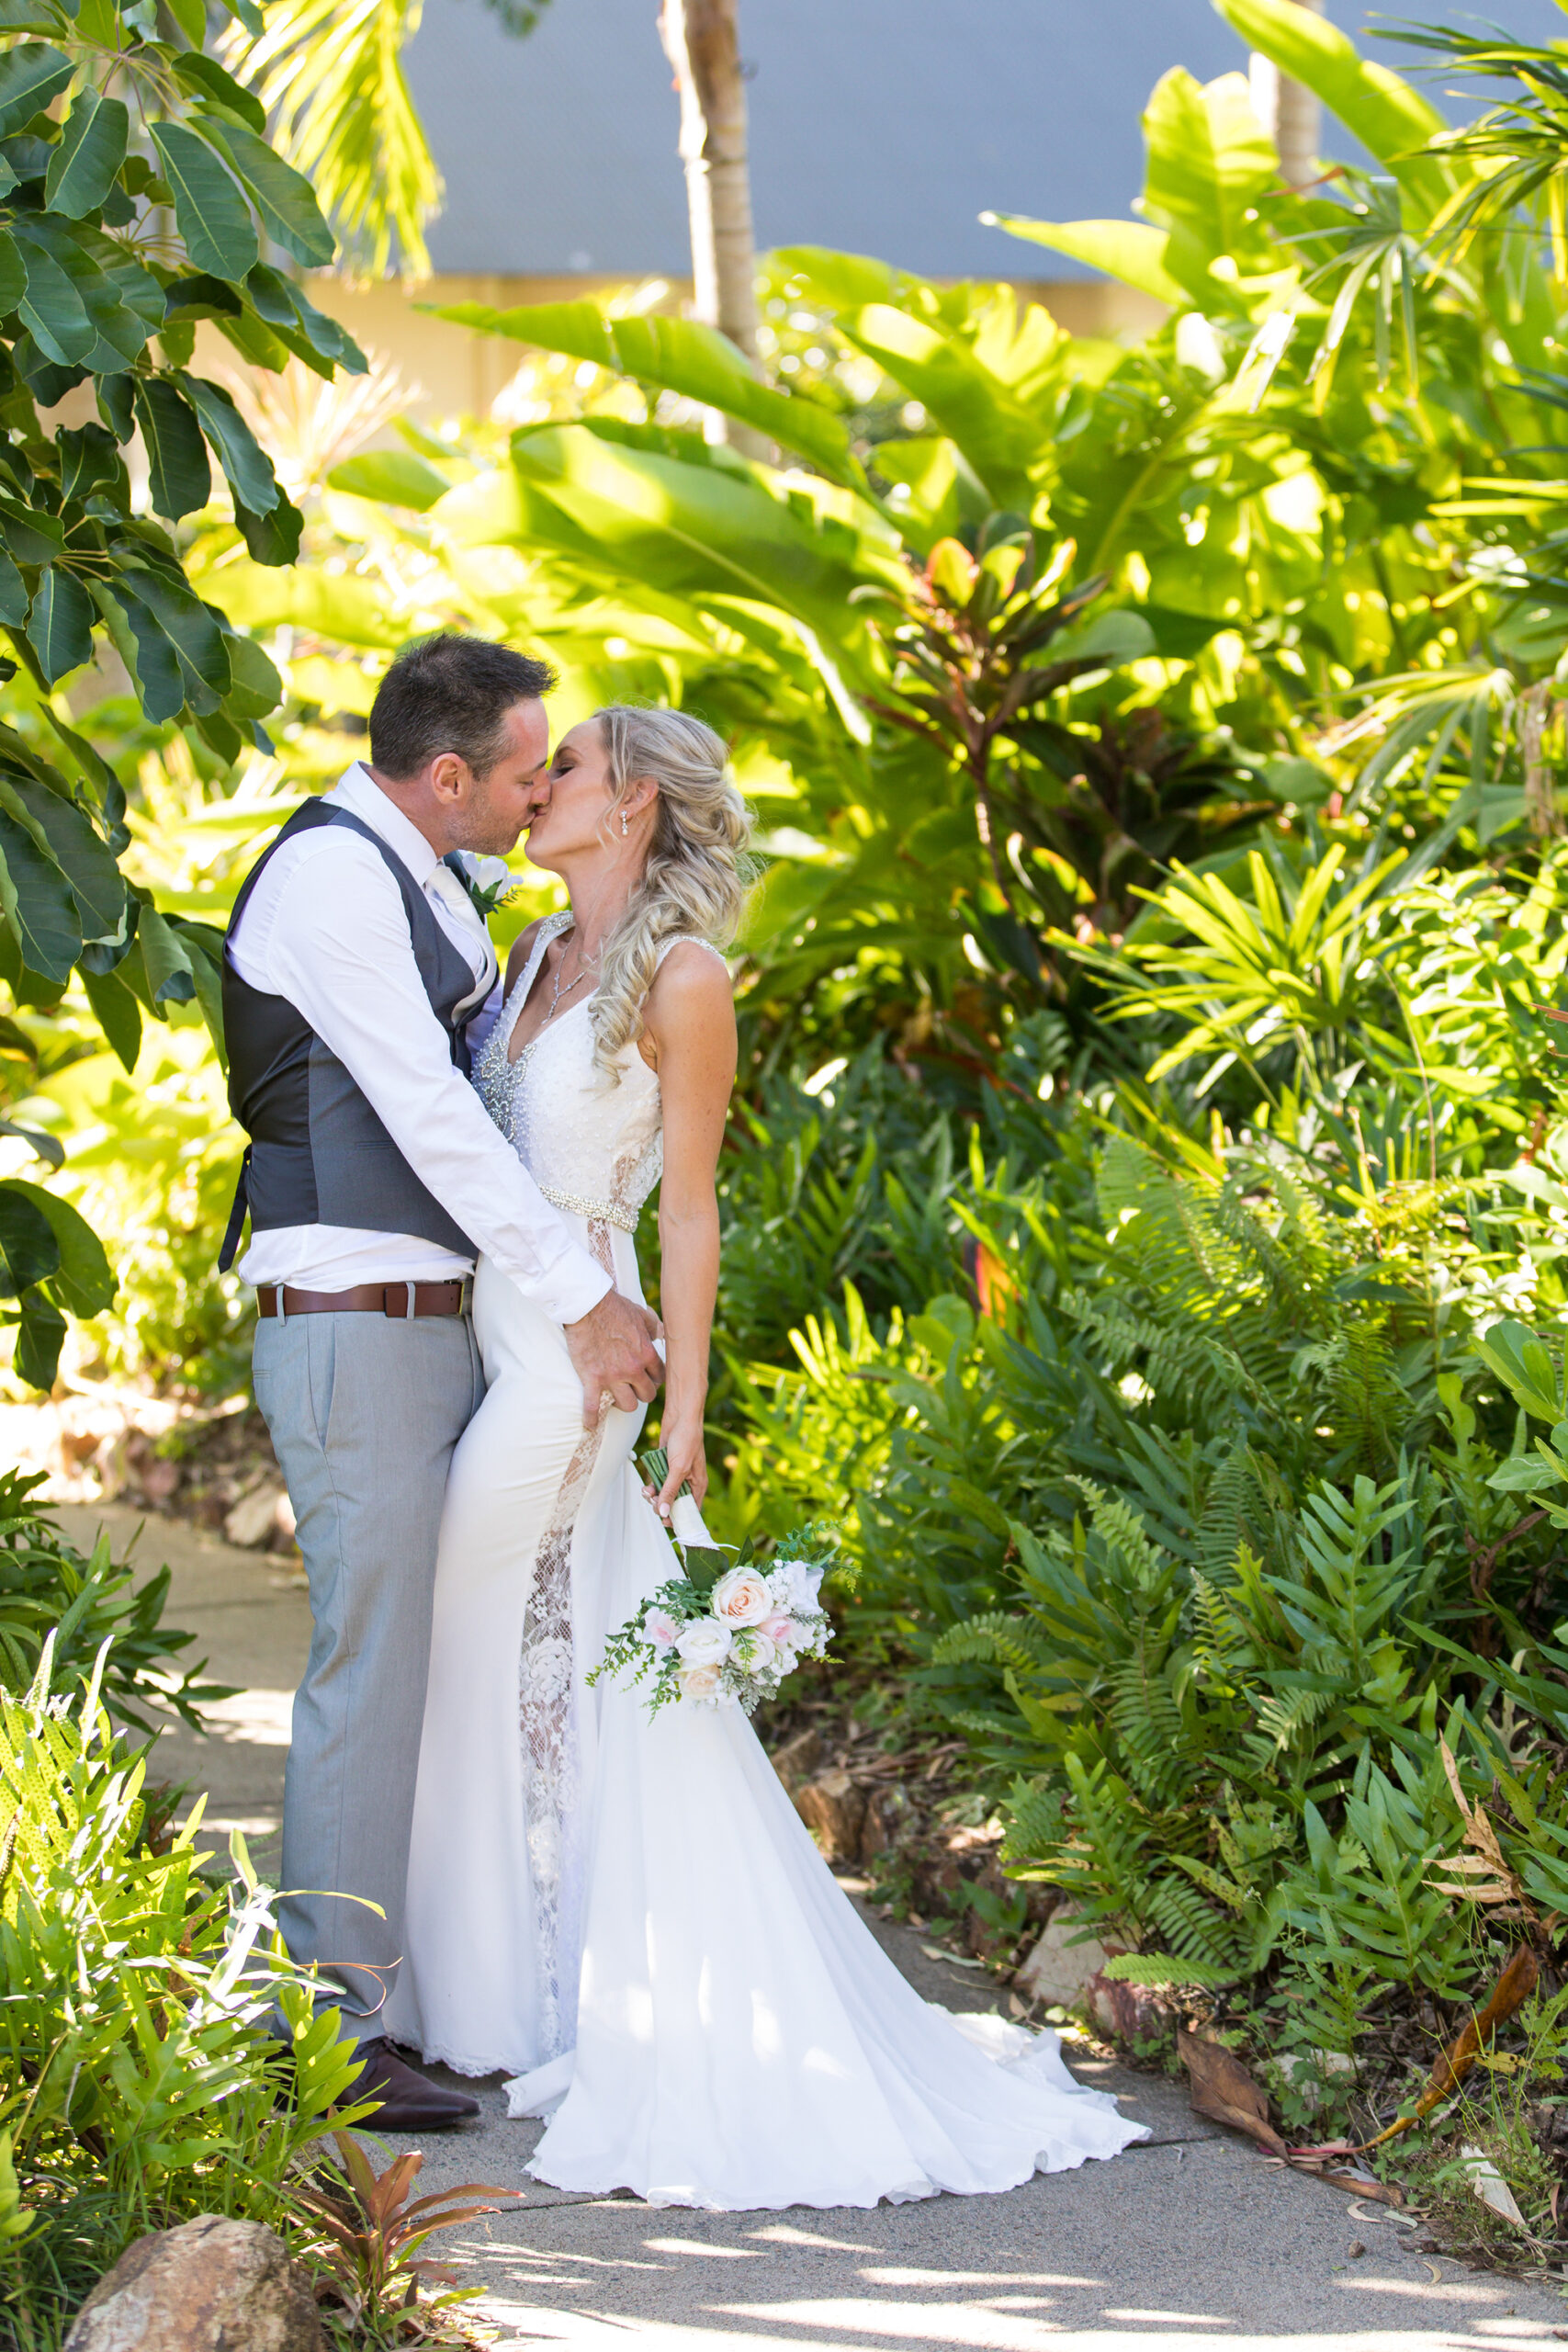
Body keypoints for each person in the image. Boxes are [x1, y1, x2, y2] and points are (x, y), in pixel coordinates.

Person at [384, 703, 1148, 2208]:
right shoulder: (532, 956)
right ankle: (515, 1989)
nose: (539, 790)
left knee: (476, 1626)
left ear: (639, 807)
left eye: (573, 772)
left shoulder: (686, 977)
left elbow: (686, 1208)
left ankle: (494, 2001)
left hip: (572, 1362)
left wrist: (682, 1407)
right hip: (495, 1329)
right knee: (524, 1649)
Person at [220, 634, 664, 2132]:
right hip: (357, 1320)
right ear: (452, 775)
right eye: (529, 765)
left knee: (436, 1649)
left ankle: (420, 1985)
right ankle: (333, 2027)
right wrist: (589, 1295)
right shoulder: (336, 882)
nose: (544, 785)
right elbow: (430, 1117)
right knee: (374, 1656)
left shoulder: (433, 883)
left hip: (438, 1326)